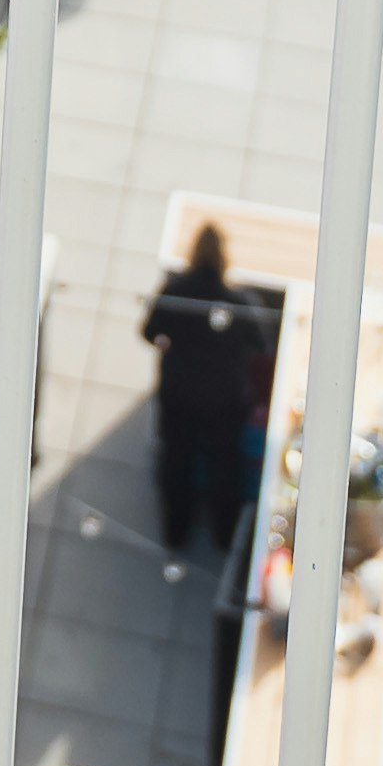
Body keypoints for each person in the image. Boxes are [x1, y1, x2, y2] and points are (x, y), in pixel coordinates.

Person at [141, 223, 278, 558]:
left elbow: (149, 332)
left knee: (178, 460)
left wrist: (173, 344)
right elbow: (261, 343)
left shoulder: (175, 291)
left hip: (180, 391)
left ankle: (176, 531)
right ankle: (224, 534)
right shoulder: (238, 301)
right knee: (225, 465)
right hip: (224, 397)